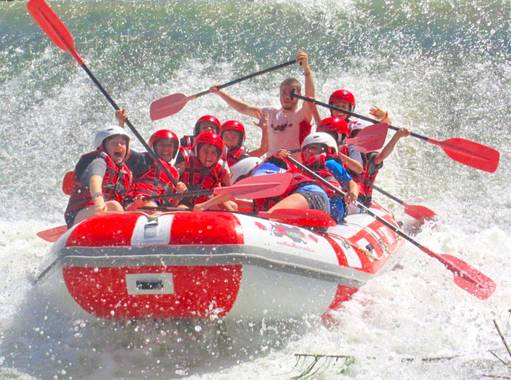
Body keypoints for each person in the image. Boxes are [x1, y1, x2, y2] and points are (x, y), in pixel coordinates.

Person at [210, 50, 316, 160]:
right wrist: (220, 93)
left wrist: (306, 70)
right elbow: (243, 108)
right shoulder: (270, 113)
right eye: (283, 92)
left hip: (295, 168)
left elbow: (310, 97)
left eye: (292, 93)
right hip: (271, 166)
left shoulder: (302, 114)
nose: (287, 96)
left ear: (299, 95)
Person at [64, 126, 135, 227]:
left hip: (100, 213)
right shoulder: (99, 161)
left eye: (123, 143)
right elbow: (95, 181)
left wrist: (138, 203)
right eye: (114, 143)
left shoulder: (125, 172)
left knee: (129, 210)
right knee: (114, 206)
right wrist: (99, 201)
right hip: (78, 215)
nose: (119, 146)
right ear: (103, 146)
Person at [115, 109, 186, 209]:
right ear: (153, 148)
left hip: (159, 209)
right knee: (149, 205)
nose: (166, 149)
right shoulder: (144, 159)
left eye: (169, 146)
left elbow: (172, 203)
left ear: (174, 150)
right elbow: (121, 151)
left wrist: (179, 195)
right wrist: (121, 123)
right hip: (135, 202)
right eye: (161, 145)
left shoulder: (174, 173)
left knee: (183, 209)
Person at [177, 131, 235, 211]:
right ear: (197, 150)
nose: (209, 156)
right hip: (184, 202)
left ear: (218, 155)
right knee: (181, 209)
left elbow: (230, 193)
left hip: (206, 203)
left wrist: (205, 205)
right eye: (205, 151)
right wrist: (178, 186)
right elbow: (170, 180)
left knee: (232, 205)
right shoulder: (185, 160)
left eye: (213, 152)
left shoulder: (222, 169)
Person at [356, 127, 410, 207]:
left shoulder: (371, 158)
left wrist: (397, 135)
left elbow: (382, 155)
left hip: (362, 200)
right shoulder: (347, 149)